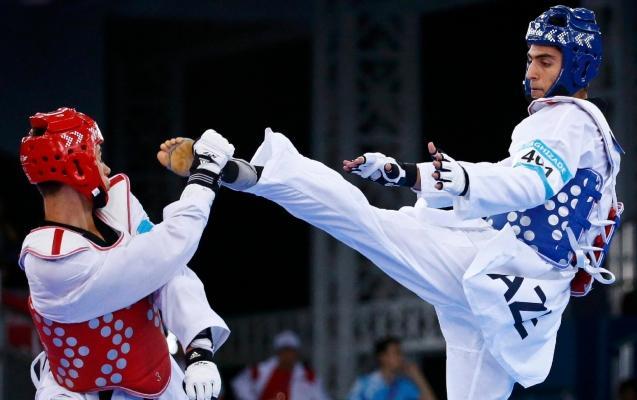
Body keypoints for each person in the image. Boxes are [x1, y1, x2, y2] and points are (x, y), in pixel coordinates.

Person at [160, 5, 623, 399]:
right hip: (518, 291)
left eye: (545, 61)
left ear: (577, 66)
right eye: (530, 59)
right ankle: (262, 175)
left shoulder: (563, 120)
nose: (531, 72)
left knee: (368, 225)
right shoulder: (593, 136)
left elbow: (526, 184)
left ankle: (260, 174)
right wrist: (407, 174)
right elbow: (507, 187)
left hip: (501, 269)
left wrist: (452, 177)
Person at [19, 107, 237, 400]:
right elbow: (167, 248)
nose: (106, 168)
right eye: (98, 157)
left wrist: (199, 348)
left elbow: (168, 269)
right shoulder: (51, 261)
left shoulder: (118, 204)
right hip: (73, 392)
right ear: (78, 167)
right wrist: (205, 175)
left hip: (155, 378)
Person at [231, 331, 330, 400]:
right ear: (278, 353)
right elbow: (238, 383)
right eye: (284, 351)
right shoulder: (260, 370)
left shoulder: (307, 376)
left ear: (296, 353)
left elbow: (321, 397)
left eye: (291, 351)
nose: (288, 355)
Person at [348, 337, 437, 400]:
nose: (401, 358)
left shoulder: (404, 385)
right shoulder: (365, 384)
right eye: (396, 353)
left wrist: (418, 377)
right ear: (382, 357)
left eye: (401, 353)